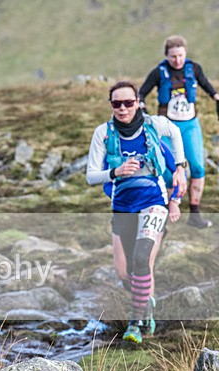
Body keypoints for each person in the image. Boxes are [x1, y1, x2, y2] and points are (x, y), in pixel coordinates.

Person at [87, 81, 187, 344]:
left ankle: (136, 322)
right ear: (111, 105)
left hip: (154, 201)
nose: (123, 108)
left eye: (128, 103)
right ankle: (147, 304)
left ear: (138, 102)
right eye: (116, 104)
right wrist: (115, 172)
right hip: (122, 206)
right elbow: (90, 176)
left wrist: (179, 168)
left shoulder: (153, 126)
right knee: (124, 271)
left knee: (143, 258)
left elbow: (176, 134)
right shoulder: (104, 133)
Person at [139, 35, 217, 229]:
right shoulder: (159, 72)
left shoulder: (194, 69)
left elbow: (207, 86)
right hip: (166, 126)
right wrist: (141, 107)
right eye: (173, 56)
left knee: (198, 167)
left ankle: (195, 214)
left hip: (190, 125)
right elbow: (142, 92)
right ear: (166, 55)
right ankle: (163, 215)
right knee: (166, 172)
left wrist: (216, 95)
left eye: (180, 55)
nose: (177, 60)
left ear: (185, 53)